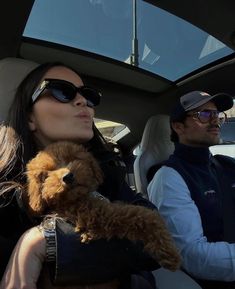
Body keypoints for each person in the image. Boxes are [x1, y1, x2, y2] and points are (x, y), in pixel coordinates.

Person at [0, 62, 159, 289]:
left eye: (88, 95)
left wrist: (46, 240)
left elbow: (156, 235)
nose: (83, 101)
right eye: (61, 91)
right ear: (29, 118)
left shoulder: (107, 176)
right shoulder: (5, 195)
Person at [148, 90, 235, 289]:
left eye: (217, 115)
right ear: (178, 126)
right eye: (203, 115)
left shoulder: (227, 164)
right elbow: (192, 255)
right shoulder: (169, 177)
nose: (214, 121)